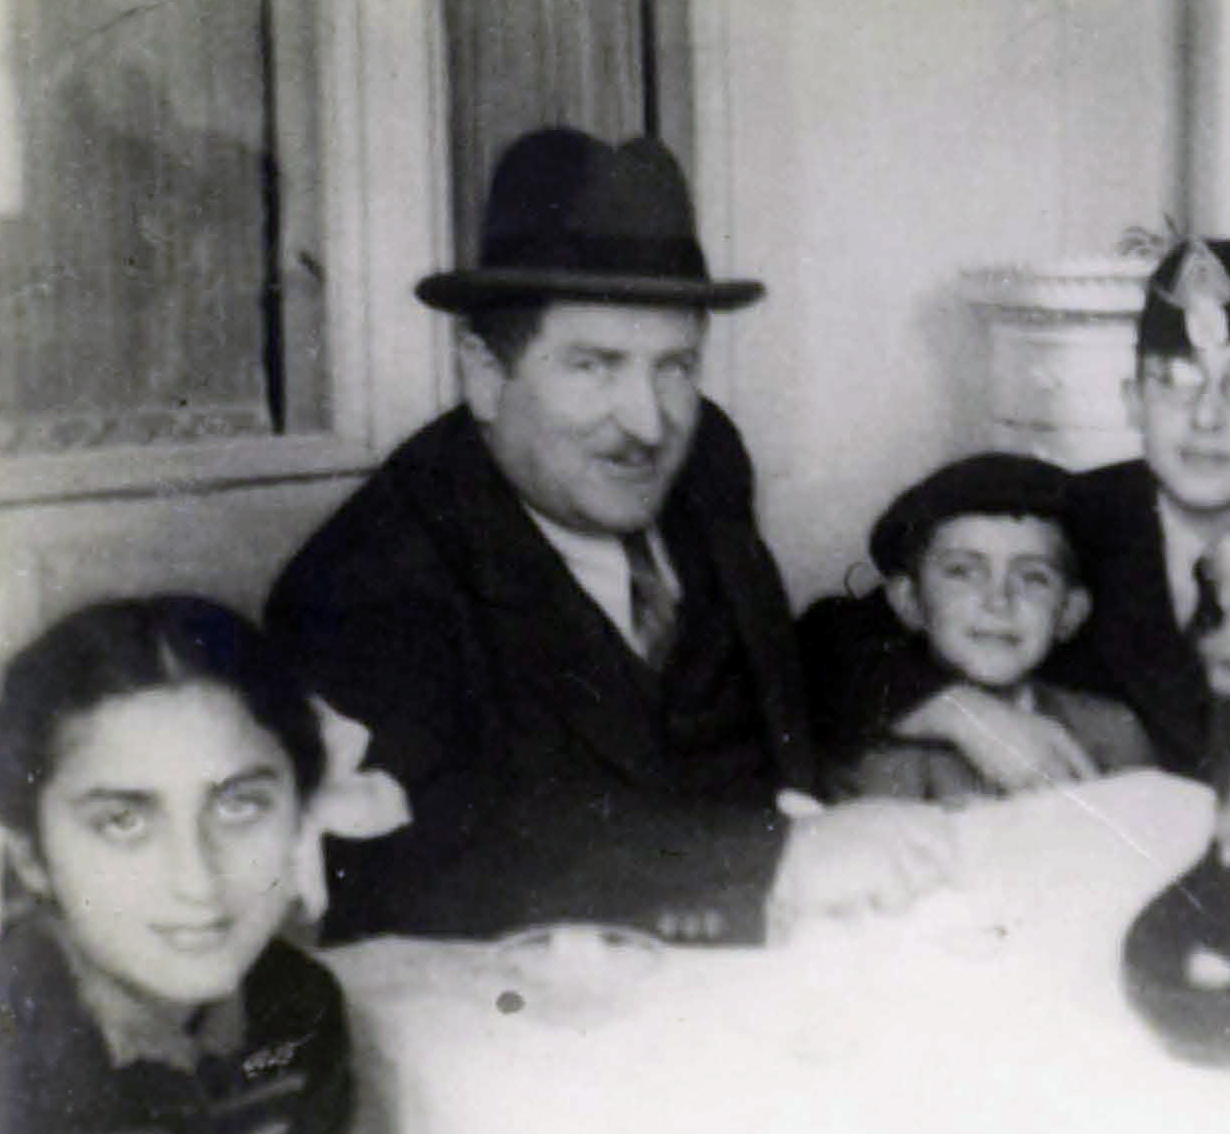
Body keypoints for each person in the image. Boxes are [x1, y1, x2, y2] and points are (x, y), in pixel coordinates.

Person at [267, 127, 948, 943]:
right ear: (484, 374)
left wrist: (940, 698)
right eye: (593, 365)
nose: (646, 422)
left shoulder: (709, 460)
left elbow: (787, 668)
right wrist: (771, 861)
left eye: (675, 365)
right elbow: (418, 868)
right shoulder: (361, 580)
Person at [0, 596, 461, 1134]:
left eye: (240, 804)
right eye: (122, 821)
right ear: (30, 857)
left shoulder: (295, 1011)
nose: (198, 879)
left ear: (298, 816)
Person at [800, 238, 1230, 805]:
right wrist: (967, 716)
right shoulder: (1067, 518)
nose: (1206, 415)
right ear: (1134, 400)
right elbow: (829, 639)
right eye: (1175, 380)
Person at [831, 452, 1154, 801]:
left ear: (1070, 613)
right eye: (962, 572)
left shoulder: (1113, 731)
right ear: (909, 602)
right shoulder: (879, 752)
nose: (998, 601)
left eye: (1033, 578)